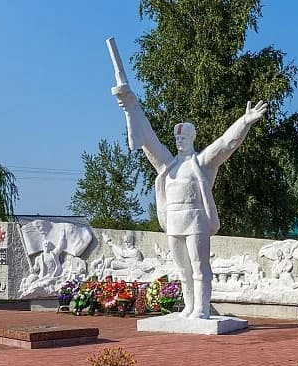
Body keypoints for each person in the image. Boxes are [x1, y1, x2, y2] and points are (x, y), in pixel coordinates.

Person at [114, 89, 267, 319]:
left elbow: (226, 144)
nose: (179, 141)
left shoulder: (202, 163)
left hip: (195, 220)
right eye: (177, 138)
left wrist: (244, 121)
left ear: (192, 138)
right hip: (174, 222)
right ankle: (189, 306)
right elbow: (148, 139)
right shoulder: (168, 164)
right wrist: (131, 106)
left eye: (183, 138)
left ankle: (202, 308)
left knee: (199, 266)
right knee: (183, 269)